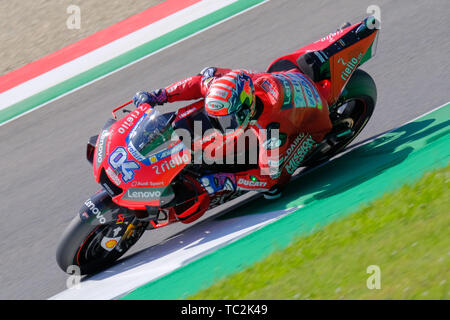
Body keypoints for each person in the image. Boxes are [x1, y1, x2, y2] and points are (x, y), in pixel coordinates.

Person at [132, 66, 333, 223]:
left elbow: (269, 178)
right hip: (288, 79)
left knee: (275, 187)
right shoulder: (235, 82)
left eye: (228, 121)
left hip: (310, 127)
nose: (221, 126)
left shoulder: (271, 130)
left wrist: (225, 179)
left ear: (246, 110)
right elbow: (199, 82)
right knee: (207, 77)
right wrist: (159, 95)